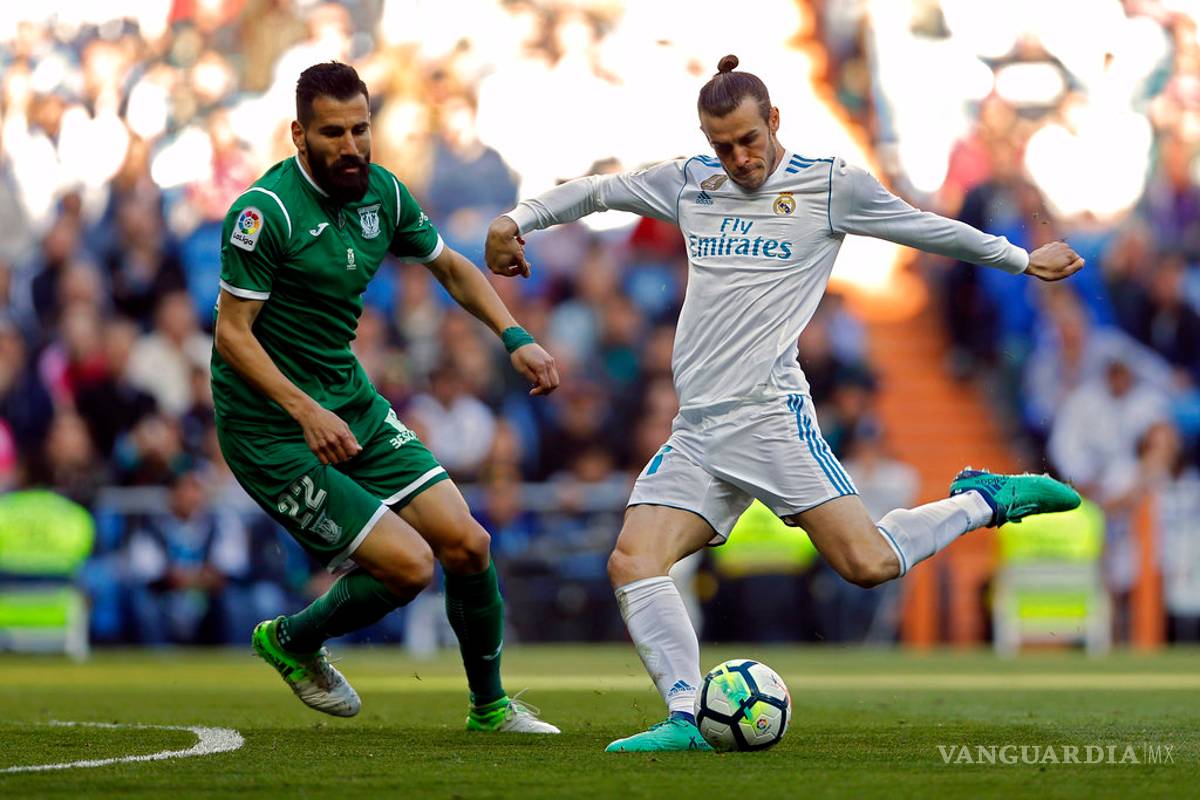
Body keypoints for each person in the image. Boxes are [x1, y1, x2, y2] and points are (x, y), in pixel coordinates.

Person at [485, 55, 1083, 753]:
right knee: (633, 562)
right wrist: (515, 218)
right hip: (699, 427)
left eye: (748, 140)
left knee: (867, 566)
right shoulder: (691, 183)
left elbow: (923, 226)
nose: (738, 158)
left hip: (770, 417)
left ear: (774, 121)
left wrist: (1020, 258)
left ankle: (985, 499)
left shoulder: (829, 186)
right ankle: (687, 716)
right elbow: (599, 192)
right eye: (723, 146)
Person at [212, 62, 560, 733]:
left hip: (348, 402)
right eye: (332, 132)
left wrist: (514, 335)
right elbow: (232, 336)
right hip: (269, 428)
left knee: (467, 543)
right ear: (299, 135)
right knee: (408, 567)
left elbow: (451, 266)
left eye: (360, 129)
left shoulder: (384, 195)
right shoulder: (267, 211)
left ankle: (490, 709)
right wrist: (303, 410)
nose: (350, 146)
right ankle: (292, 640)